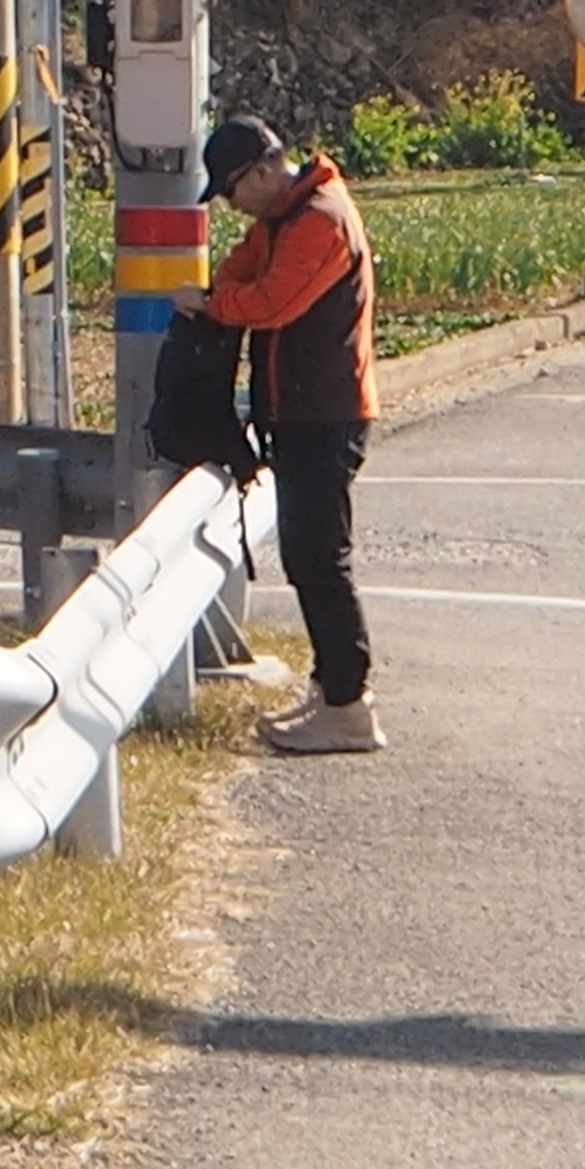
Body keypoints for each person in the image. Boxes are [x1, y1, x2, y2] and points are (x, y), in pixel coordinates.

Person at [189, 113, 384, 753]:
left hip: (327, 411)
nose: (232, 204)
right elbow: (238, 272)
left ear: (263, 171)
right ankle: (332, 691)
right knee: (308, 554)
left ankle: (349, 706)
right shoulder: (284, 217)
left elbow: (271, 302)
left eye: (232, 190)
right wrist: (224, 292)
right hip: (301, 409)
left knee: (321, 557)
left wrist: (210, 306)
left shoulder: (320, 219)